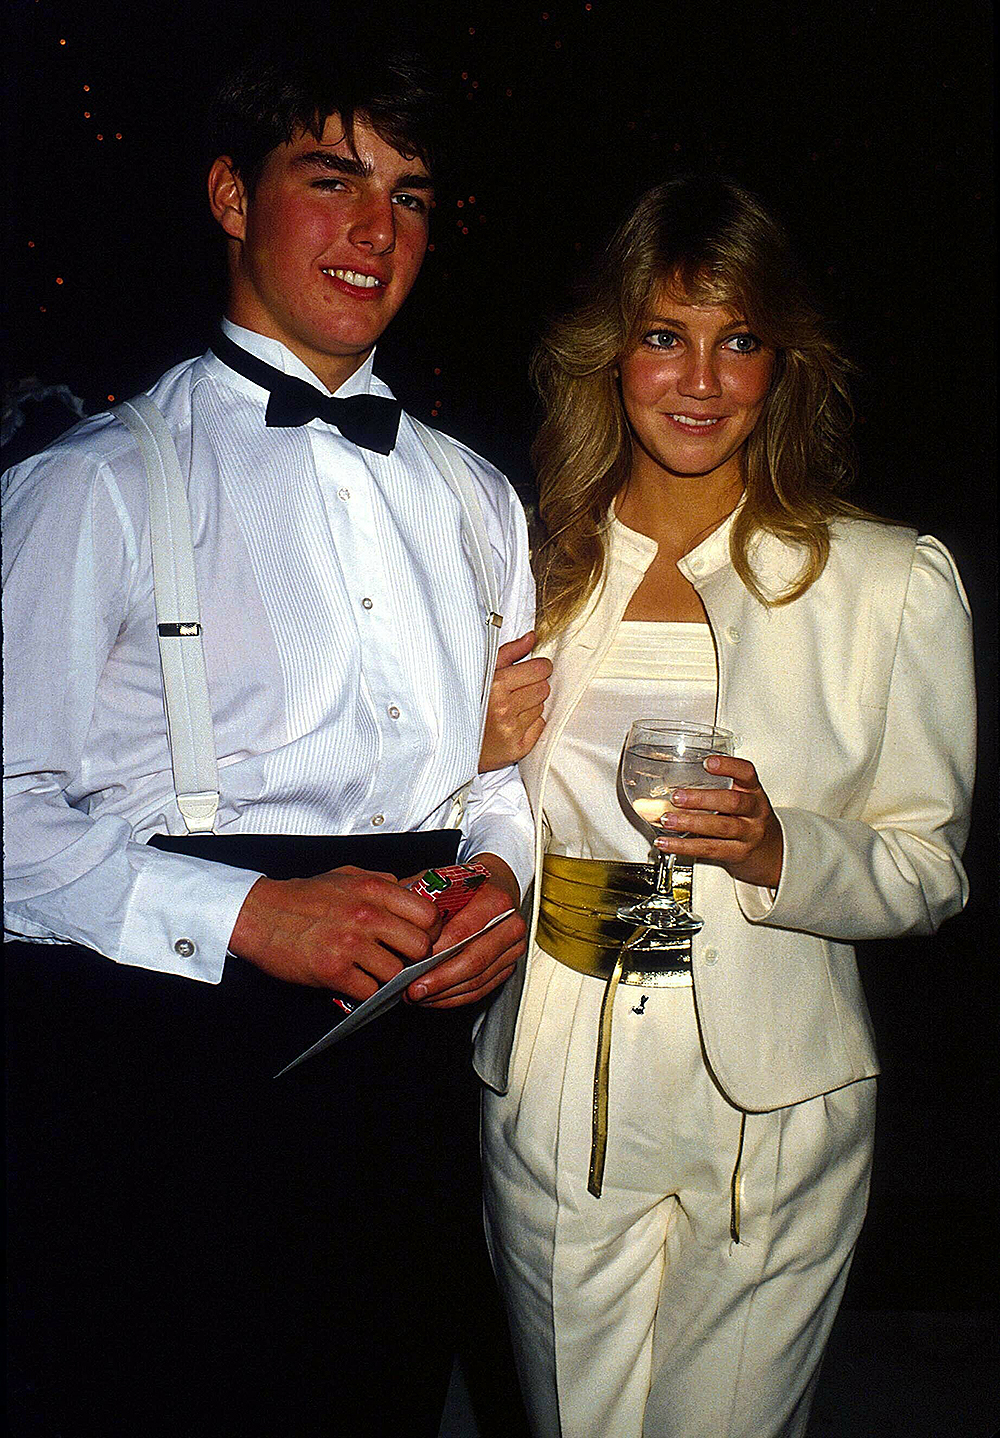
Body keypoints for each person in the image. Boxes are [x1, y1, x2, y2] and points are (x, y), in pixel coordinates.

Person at [4, 41, 534, 1438]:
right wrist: (246, 913)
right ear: (233, 197)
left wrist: (503, 880)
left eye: (411, 195)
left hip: (407, 1072)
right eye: (334, 178)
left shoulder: (479, 498)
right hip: (164, 1067)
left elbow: (506, 773)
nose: (378, 230)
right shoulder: (90, 486)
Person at [474, 177, 975, 1437]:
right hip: (552, 1073)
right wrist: (465, 758)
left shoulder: (885, 582)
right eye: (664, 334)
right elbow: (460, 819)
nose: (699, 379)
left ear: (781, 366)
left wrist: (780, 844)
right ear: (610, 356)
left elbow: (928, 868)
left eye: (737, 339)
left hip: (775, 1097)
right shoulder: (526, 569)